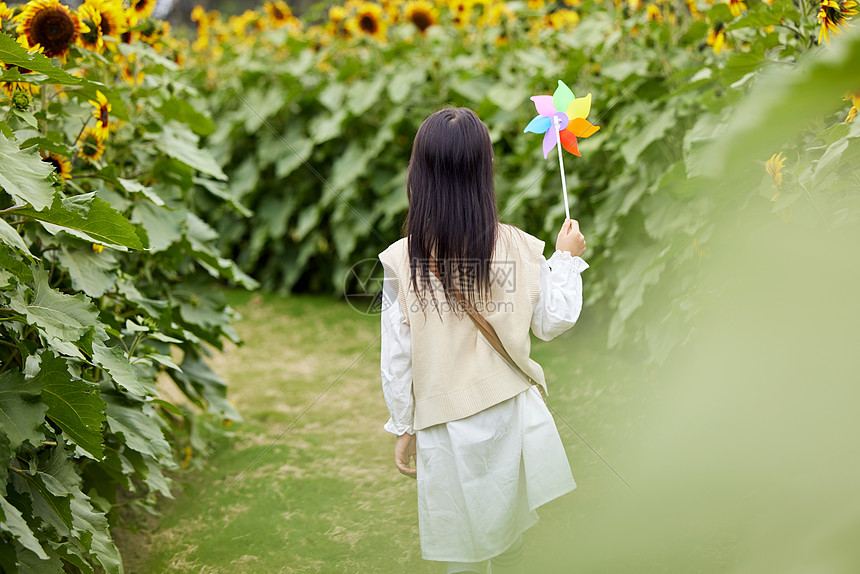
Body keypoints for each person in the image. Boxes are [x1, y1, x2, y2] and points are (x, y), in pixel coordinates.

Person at [377, 107, 589, 574]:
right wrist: (566, 259)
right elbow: (553, 320)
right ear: (484, 172)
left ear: (418, 175)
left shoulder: (399, 261)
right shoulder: (518, 246)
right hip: (507, 410)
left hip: (442, 420)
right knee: (509, 534)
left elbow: (397, 360)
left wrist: (404, 424)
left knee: (462, 547)